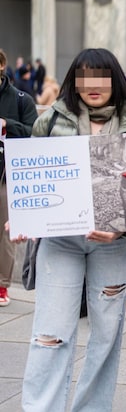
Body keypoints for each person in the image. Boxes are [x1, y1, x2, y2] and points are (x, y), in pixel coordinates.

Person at [15, 48, 126, 412]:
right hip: (60, 242)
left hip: (113, 246)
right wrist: (22, 216)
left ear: (116, 81)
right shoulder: (50, 121)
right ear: (74, 80)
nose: (92, 86)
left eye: (101, 77)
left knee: (107, 336)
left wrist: (121, 228)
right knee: (49, 334)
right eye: (84, 76)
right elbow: (29, 178)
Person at [0, 48, 38, 306]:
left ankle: (2, 285)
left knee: (5, 231)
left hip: (6, 175)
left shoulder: (20, 99)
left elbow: (35, 132)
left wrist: (6, 124)